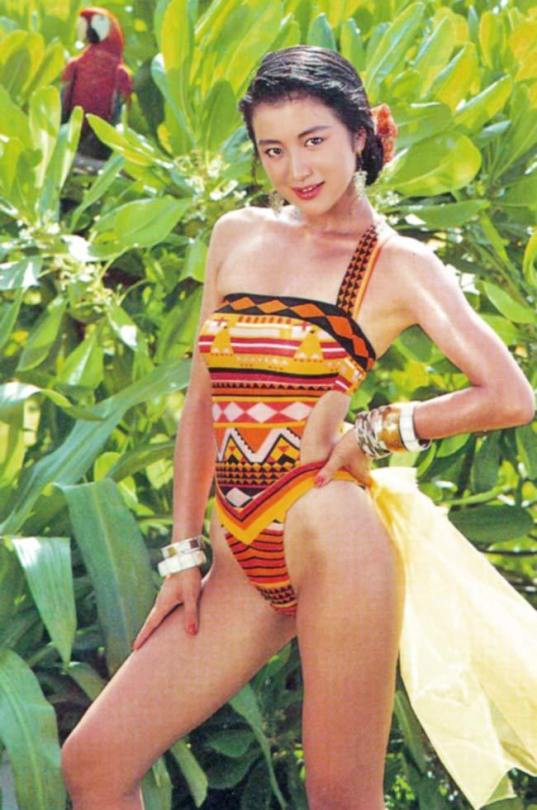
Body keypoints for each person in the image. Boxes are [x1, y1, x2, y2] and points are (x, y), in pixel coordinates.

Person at [61, 46, 537, 810]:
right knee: (94, 764)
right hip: (236, 556)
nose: (296, 168)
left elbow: (508, 396)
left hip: (328, 530)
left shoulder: (397, 264)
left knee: (340, 798)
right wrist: (183, 553)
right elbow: (201, 401)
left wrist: (379, 429)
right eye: (272, 149)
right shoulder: (237, 234)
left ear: (359, 134)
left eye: (313, 140)